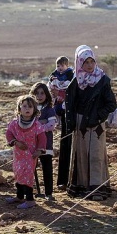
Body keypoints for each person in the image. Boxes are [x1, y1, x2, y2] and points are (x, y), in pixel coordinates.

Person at [63, 45, 117, 201]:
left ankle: (98, 189)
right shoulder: (75, 81)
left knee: (96, 154)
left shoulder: (103, 80)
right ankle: (82, 187)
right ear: (79, 63)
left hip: (97, 124)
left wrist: (98, 116)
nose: (89, 65)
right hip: (80, 123)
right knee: (81, 155)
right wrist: (71, 122)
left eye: (91, 61)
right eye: (85, 62)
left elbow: (111, 104)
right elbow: (71, 104)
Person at [5, 95, 47, 209]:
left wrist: (39, 150)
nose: (27, 109)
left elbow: (42, 138)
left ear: (34, 109)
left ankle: (30, 199)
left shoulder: (36, 125)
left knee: (27, 175)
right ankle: (19, 196)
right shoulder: (14, 123)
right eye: (24, 106)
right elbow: (9, 133)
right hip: (18, 154)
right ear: (19, 109)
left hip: (30, 155)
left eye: (30, 106)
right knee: (18, 173)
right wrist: (15, 142)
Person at [48, 56, 74, 189]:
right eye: (58, 66)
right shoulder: (56, 74)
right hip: (63, 110)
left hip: (73, 115)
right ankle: (63, 180)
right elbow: (51, 84)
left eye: (62, 65)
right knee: (65, 143)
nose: (59, 68)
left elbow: (71, 88)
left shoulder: (72, 74)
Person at [29, 82, 57, 201]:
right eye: (37, 93)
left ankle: (48, 193)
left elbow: (52, 124)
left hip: (46, 144)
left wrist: (37, 127)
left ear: (47, 95)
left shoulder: (49, 109)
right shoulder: (31, 108)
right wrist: (42, 123)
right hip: (32, 144)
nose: (39, 96)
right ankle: (33, 191)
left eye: (42, 93)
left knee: (47, 168)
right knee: (31, 168)